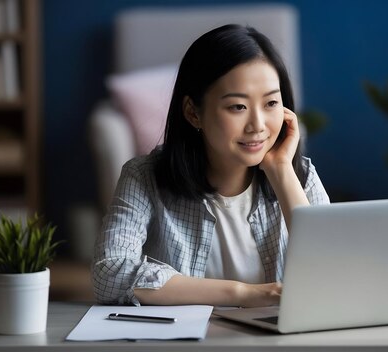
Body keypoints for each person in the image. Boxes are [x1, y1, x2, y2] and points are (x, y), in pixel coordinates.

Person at [92, 24, 330, 307]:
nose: (258, 125)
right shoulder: (144, 177)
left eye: (271, 103)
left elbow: (335, 277)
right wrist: (244, 294)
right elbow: (110, 273)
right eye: (237, 107)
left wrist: (280, 171)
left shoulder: (300, 176)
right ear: (193, 112)